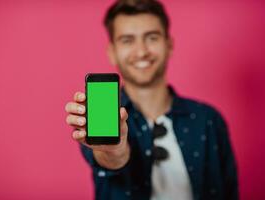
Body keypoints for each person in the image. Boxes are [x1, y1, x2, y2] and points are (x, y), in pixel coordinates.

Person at [65, 0, 238, 199]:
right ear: (112, 52)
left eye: (152, 37)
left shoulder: (209, 120)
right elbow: (109, 159)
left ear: (169, 45)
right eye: (127, 40)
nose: (141, 51)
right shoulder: (97, 116)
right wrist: (114, 150)